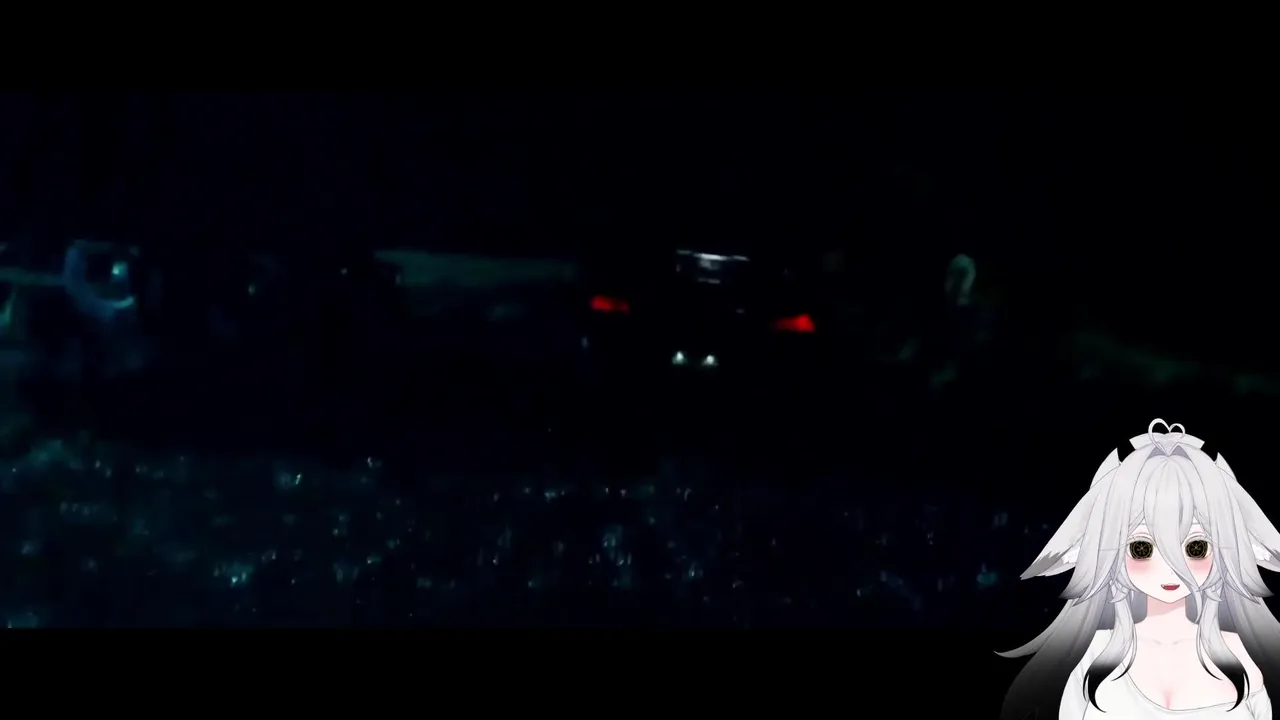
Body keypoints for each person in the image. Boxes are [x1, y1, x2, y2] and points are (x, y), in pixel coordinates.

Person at [1000, 419, 1280, 719]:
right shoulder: (1094, 656)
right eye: (1142, 548)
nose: (1172, 569)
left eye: (1196, 548)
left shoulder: (1242, 658)